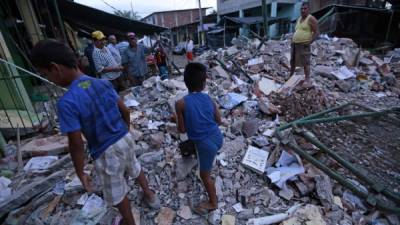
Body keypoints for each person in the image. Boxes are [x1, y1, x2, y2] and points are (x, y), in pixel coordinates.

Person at [30, 39, 160, 225]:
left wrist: (80, 172)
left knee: (117, 193)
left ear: (55, 68)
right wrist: (124, 131)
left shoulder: (67, 102)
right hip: (125, 137)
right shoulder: (102, 84)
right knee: (134, 166)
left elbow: (75, 143)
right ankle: (150, 195)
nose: (49, 79)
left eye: (46, 74)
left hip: (105, 151)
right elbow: (124, 110)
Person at [175, 62, 223, 215]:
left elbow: (182, 129)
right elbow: (219, 120)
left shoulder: (180, 103)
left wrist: (182, 118)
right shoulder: (208, 98)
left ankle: (213, 202)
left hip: (205, 145)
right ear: (204, 84)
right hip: (217, 138)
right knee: (201, 151)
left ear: (185, 82)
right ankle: (204, 159)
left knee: (204, 175)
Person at [289, 2, 319, 85]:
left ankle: (307, 79)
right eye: (301, 9)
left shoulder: (311, 19)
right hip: (295, 44)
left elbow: (317, 33)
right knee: (293, 61)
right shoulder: (299, 19)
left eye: (305, 8)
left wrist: (309, 42)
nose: (303, 10)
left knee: (306, 62)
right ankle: (291, 76)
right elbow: (297, 30)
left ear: (308, 9)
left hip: (304, 44)